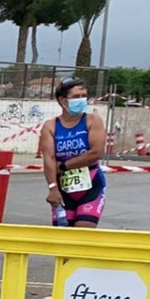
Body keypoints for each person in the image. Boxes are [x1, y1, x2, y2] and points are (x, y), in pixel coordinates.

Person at [40, 78, 108, 230]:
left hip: (91, 184)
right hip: (63, 188)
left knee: (84, 228)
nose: (82, 100)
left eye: (84, 96)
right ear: (63, 100)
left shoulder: (93, 121)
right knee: (64, 234)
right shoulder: (50, 126)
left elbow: (96, 152)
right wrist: (52, 188)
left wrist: (64, 166)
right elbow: (49, 159)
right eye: (76, 97)